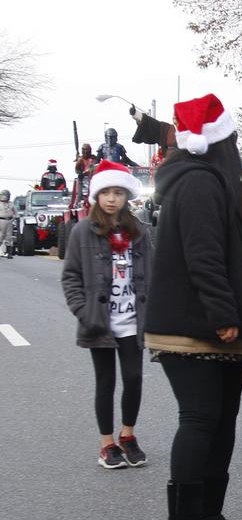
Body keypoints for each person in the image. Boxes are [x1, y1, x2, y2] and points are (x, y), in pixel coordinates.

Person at [144, 94, 242, 520]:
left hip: (217, 321)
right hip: (196, 324)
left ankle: (208, 513)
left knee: (222, 421)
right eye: (233, 138)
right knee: (199, 419)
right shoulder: (197, 182)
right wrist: (223, 314)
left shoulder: (209, 180)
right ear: (220, 141)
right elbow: (204, 257)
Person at [61, 161, 151, 469]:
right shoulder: (83, 230)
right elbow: (70, 276)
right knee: (106, 382)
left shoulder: (138, 230)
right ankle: (107, 443)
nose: (112, 199)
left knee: (134, 378)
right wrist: (84, 312)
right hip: (100, 321)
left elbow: (151, 274)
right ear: (96, 196)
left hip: (132, 321)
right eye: (106, 193)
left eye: (118, 192)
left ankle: (128, 435)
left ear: (126, 196)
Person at [0, 190, 16, 259]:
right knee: (1, 236)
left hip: (9, 220)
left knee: (9, 237)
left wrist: (16, 218)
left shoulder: (11, 204)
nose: (4, 197)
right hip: (1, 220)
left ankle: (8, 253)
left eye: (6, 195)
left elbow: (15, 212)